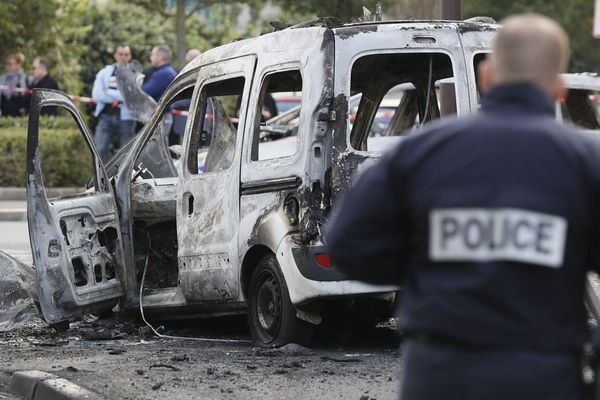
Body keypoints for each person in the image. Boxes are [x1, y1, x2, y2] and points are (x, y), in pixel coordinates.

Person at [326, 13, 598, 399]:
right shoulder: (587, 161)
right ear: (557, 89)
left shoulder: (420, 153)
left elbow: (348, 245)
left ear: (487, 78)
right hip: (543, 373)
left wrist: (427, 264)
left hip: (440, 373)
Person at [92, 45, 135, 161]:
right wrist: (120, 95)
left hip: (126, 118)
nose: (123, 57)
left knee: (126, 156)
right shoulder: (104, 72)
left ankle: (122, 179)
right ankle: (100, 178)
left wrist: (108, 92)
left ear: (130, 56)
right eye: (120, 54)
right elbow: (96, 94)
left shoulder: (135, 74)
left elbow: (131, 96)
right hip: (106, 115)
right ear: (115, 55)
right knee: (98, 151)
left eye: (126, 54)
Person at [0, 52, 27, 117]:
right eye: (6, 64)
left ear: (18, 65)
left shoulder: (24, 79)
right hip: (3, 116)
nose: (7, 67)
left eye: (10, 64)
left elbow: (25, 99)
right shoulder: (2, 78)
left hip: (19, 117)